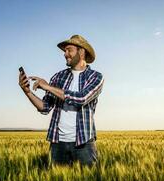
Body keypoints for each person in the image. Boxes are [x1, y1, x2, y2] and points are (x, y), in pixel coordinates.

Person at [18, 35, 104, 166]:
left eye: (69, 50)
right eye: (64, 51)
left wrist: (47, 86)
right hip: (58, 143)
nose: (65, 54)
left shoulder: (96, 77)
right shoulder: (58, 77)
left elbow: (81, 98)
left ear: (81, 52)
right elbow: (44, 107)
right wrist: (27, 91)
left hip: (84, 143)